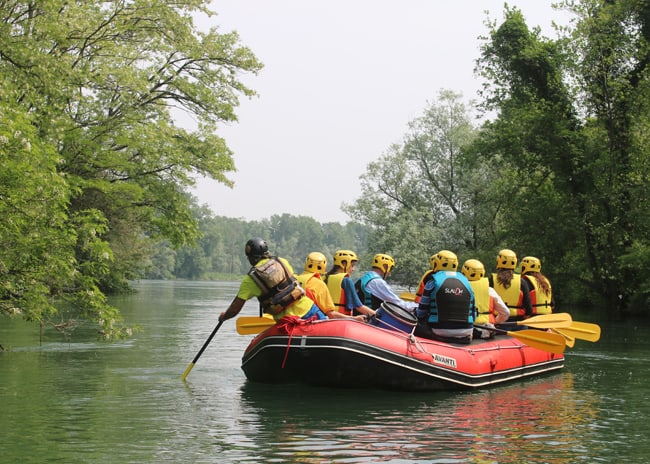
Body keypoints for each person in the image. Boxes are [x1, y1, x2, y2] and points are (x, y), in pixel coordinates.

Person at [218, 238, 327, 324]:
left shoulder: (250, 280)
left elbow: (234, 309)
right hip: (309, 309)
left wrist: (224, 316)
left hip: (287, 321)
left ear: (250, 258)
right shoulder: (281, 261)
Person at [414, 250, 475, 344]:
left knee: (414, 326)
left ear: (437, 263)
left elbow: (421, 312)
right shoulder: (467, 282)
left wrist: (414, 312)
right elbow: (473, 312)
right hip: (467, 331)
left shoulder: (432, 281)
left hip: (439, 330)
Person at [296, 252, 366, 321]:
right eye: (352, 265)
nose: (353, 269)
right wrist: (354, 318)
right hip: (312, 322)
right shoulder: (319, 284)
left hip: (296, 320)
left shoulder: (295, 279)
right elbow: (331, 314)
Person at [461, 259, 509, 339]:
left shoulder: (459, 289)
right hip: (487, 329)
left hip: (466, 329)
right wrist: (495, 321)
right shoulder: (489, 290)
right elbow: (506, 313)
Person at [324, 250, 375, 318]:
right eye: (352, 265)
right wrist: (376, 315)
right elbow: (358, 306)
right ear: (344, 264)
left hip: (327, 318)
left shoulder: (324, 278)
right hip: (342, 321)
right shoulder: (346, 280)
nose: (353, 269)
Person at [488, 249, 533, 322]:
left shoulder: (491, 280)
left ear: (498, 261)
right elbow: (529, 309)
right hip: (517, 321)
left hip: (498, 320)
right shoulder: (521, 281)